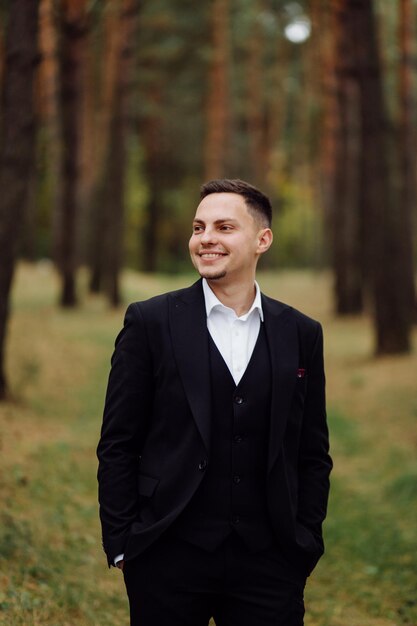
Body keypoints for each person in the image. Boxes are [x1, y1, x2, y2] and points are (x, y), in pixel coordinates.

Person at [97, 178, 332, 626]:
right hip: (166, 556)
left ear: (262, 239)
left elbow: (311, 451)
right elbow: (118, 443)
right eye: (198, 226)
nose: (206, 238)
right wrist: (125, 542)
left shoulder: (301, 333)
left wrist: (304, 540)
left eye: (224, 227)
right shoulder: (149, 321)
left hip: (270, 562)